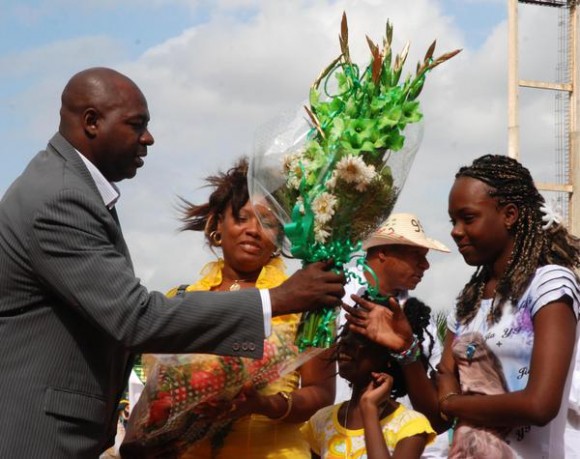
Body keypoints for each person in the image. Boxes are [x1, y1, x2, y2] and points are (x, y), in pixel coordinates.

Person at [0, 67, 345, 458]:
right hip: (39, 435)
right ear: (92, 122)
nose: (148, 138)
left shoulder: (67, 187)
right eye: (136, 125)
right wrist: (276, 300)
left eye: (268, 223)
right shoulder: (61, 198)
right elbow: (135, 319)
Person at [345, 154, 580, 458]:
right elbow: (436, 419)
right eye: (453, 221)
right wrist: (407, 350)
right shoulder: (468, 303)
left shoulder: (549, 285)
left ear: (509, 214)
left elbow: (539, 405)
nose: (456, 231)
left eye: (468, 218)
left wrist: (452, 403)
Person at [131, 158, 336, 458]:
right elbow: (155, 389)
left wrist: (265, 404)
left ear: (281, 235)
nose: (254, 230)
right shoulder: (181, 298)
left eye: (267, 222)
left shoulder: (308, 303)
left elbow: (321, 393)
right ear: (217, 225)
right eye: (242, 218)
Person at [336, 212, 450, 404]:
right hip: (330, 426)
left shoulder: (420, 320)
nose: (426, 265)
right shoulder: (335, 291)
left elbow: (433, 383)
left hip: (398, 431)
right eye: (416, 255)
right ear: (383, 251)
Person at [301, 326, 436, 458]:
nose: (345, 341)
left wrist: (369, 408)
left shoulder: (409, 426)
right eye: (344, 334)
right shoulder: (322, 421)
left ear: (388, 355)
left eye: (360, 337)